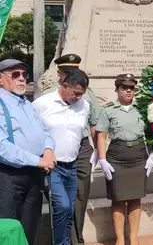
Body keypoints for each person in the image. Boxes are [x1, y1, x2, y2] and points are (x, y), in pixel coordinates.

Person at [41, 54, 100, 245]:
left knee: (78, 197)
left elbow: (94, 124)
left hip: (79, 150)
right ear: (61, 77)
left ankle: (75, 237)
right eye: (68, 72)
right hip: (54, 152)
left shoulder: (86, 97)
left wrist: (99, 154)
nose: (78, 97)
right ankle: (62, 240)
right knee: (62, 203)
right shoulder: (46, 97)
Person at [0, 59, 56, 245]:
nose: (22, 79)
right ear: (1, 79)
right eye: (15, 75)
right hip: (9, 177)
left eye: (24, 75)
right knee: (9, 232)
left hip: (34, 176)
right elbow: (2, 148)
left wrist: (48, 151)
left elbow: (44, 132)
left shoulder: (26, 104)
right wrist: (38, 160)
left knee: (30, 229)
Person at [95, 74, 153, 245]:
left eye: (131, 88)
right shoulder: (108, 110)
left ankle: (134, 238)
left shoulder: (142, 109)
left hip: (138, 156)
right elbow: (101, 136)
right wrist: (102, 160)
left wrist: (152, 156)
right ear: (117, 89)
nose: (128, 91)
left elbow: (152, 134)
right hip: (117, 156)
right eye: (124, 88)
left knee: (136, 198)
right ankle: (120, 239)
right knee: (118, 198)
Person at [33, 70, 90, 245]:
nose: (78, 98)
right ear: (64, 86)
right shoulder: (42, 104)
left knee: (69, 209)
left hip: (72, 165)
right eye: (76, 93)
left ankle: (64, 242)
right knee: (62, 206)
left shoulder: (84, 105)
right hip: (52, 166)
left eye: (81, 94)